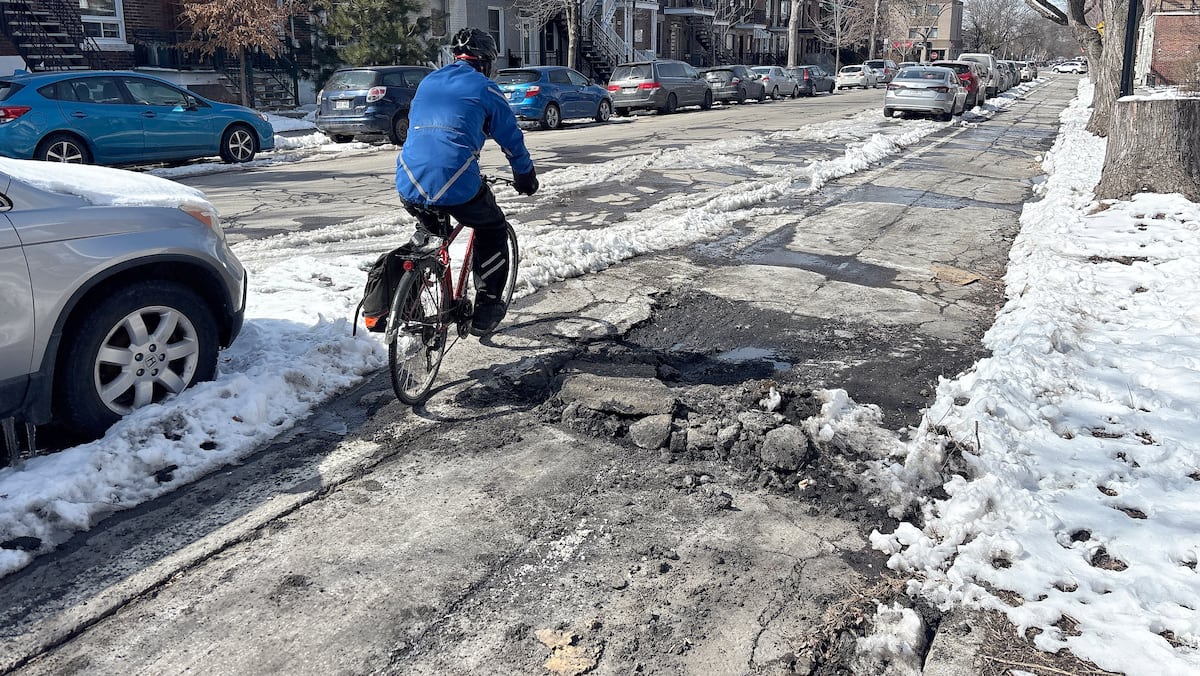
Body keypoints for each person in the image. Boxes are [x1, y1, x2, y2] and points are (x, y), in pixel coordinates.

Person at [395, 27, 539, 336]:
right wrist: (525, 176)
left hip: (408, 177)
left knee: (431, 238)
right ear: (486, 62)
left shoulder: (428, 82)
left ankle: (408, 299)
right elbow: (511, 139)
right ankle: (487, 307)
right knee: (492, 227)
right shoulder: (486, 88)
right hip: (455, 180)